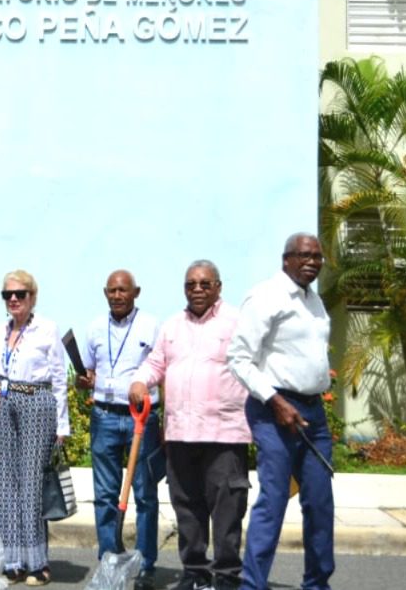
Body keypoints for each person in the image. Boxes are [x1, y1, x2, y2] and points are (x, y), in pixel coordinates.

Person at [129, 261, 250, 590]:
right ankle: (195, 572)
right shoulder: (172, 325)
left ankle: (227, 576)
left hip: (224, 434)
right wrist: (140, 381)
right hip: (180, 433)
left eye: (204, 284)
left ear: (218, 287)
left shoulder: (237, 322)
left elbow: (257, 365)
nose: (197, 289)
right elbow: (155, 363)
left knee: (227, 510)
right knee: (187, 508)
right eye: (190, 284)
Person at [227, 234, 335, 590]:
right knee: (273, 501)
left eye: (317, 256)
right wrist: (275, 401)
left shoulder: (314, 300)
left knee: (320, 503)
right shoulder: (265, 297)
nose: (312, 262)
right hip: (272, 410)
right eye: (304, 255)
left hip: (312, 413)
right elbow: (238, 359)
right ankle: (252, 585)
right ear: (286, 259)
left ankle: (317, 583)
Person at [0, 270, 69, 587]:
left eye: (20, 294)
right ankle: (12, 561)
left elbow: (59, 378)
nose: (14, 299)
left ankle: (37, 563)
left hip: (36, 401)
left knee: (31, 485)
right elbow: (0, 373)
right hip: (4, 402)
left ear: (32, 296)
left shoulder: (47, 328)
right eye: (8, 295)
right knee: (5, 484)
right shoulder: (0, 330)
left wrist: (62, 424)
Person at [78, 269, 163, 590]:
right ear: (105, 293)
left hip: (141, 418)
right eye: (112, 291)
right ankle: (109, 559)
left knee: (145, 494)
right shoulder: (94, 328)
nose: (117, 296)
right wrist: (84, 380)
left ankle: (145, 564)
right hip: (104, 415)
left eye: (123, 290)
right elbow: (86, 374)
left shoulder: (151, 326)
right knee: (105, 495)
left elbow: (162, 370)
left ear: (136, 292)